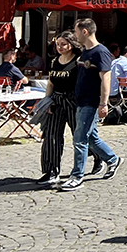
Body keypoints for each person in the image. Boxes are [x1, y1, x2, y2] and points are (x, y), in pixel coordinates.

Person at [59, 19, 123, 191]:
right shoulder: (85, 51)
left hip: (91, 101)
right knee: (91, 137)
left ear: (85, 31)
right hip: (80, 100)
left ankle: (76, 176)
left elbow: (106, 78)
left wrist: (103, 103)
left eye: (76, 31)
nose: (74, 35)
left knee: (80, 138)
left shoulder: (100, 52)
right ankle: (112, 159)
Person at [39, 32, 92, 186]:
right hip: (56, 101)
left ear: (71, 44)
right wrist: (47, 100)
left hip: (73, 101)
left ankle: (98, 158)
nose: (60, 47)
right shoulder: (55, 61)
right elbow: (51, 83)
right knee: (52, 136)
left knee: (80, 136)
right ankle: (51, 170)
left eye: (63, 44)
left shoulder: (79, 61)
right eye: (58, 44)